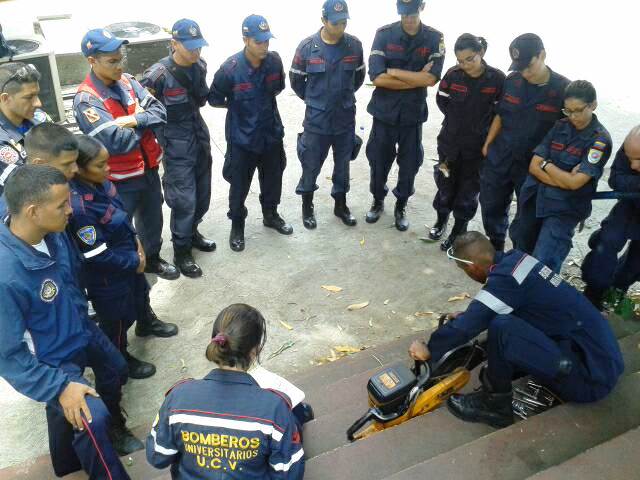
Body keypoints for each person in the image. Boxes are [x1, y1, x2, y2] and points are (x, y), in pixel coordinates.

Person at [0, 165, 143, 479]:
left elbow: (71, 279)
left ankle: (67, 464)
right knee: (91, 420)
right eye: (62, 205)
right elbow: (9, 357)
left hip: (80, 326)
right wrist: (60, 386)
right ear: (33, 211)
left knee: (116, 369)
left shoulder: (52, 232)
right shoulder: (6, 275)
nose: (70, 210)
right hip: (52, 361)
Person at [409, 232, 624, 429]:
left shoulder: (505, 281)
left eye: (464, 270)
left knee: (502, 327)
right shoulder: (517, 260)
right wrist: (469, 316)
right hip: (601, 359)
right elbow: (509, 301)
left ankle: (495, 406)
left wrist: (430, 349)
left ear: (472, 267)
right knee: (503, 321)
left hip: (590, 381)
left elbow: (465, 329)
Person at [147, 303, 306, 479]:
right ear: (255, 351)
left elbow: (157, 456)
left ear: (214, 342)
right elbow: (288, 474)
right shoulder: (275, 409)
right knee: (294, 419)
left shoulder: (178, 398)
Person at [68, 135, 179, 379]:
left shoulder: (104, 183)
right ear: (78, 168)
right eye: (100, 165)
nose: (108, 169)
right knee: (117, 320)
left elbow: (123, 218)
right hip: (108, 276)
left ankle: (146, 322)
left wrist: (138, 245)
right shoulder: (79, 208)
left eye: (107, 162)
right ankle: (120, 358)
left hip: (129, 255)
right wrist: (135, 262)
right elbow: (96, 254)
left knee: (141, 294)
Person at [73, 28, 179, 280]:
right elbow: (116, 142)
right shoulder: (87, 100)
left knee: (153, 218)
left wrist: (130, 120)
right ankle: (130, 268)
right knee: (121, 227)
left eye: (121, 58)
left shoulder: (128, 81)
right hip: (119, 179)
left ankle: (151, 258)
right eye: (112, 61)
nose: (120, 65)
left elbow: (161, 113)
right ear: (92, 61)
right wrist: (143, 121)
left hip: (148, 168)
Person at [209, 15, 292, 252]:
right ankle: (237, 225)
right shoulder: (230, 69)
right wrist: (238, 106)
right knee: (239, 187)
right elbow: (214, 98)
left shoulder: (274, 62)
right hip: (242, 140)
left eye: (267, 41)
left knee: (273, 179)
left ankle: (271, 214)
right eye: (258, 42)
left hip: (271, 135)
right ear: (245, 40)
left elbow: (278, 88)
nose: (264, 46)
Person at [480, 34, 570, 252]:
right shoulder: (512, 81)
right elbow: (501, 114)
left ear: (542, 55)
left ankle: (520, 256)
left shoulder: (563, 89)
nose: (524, 73)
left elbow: (569, 131)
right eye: (519, 67)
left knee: (526, 217)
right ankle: (496, 246)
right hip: (501, 155)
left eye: (528, 66)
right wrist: (488, 145)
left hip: (532, 166)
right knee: (491, 204)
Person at [510, 80, 612, 273]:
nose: (572, 116)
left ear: (593, 105)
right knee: (521, 251)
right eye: (568, 111)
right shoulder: (560, 125)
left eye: (578, 110)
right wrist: (562, 178)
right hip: (535, 199)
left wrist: (546, 165)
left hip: (564, 208)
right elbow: (534, 165)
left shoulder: (599, 141)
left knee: (544, 263)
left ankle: (541, 301)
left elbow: (576, 183)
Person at [141, 19, 216, 278]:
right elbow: (142, 113)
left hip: (199, 138)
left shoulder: (200, 66)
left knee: (203, 195)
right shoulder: (157, 76)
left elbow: (202, 99)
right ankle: (181, 251)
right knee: (184, 201)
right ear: (174, 44)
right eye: (190, 47)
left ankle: (193, 232)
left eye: (199, 47)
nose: (196, 52)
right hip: (174, 147)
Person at [364, 0, 445, 231]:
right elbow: (377, 77)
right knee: (378, 161)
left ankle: (401, 204)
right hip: (384, 113)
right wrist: (415, 78)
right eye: (403, 13)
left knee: (409, 164)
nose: (408, 18)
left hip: (412, 116)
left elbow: (431, 79)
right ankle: (378, 200)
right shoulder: (384, 35)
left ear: (422, 7)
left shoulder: (434, 38)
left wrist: (395, 72)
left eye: (412, 13)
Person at [290, 0, 365, 229]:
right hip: (317, 121)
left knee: (343, 165)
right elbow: (296, 81)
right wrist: (315, 100)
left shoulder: (354, 46)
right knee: (311, 164)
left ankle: (340, 205)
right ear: (323, 21)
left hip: (344, 119)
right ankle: (307, 206)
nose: (341, 27)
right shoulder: (306, 47)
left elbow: (359, 78)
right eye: (336, 23)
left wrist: (341, 98)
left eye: (344, 22)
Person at [428, 34, 505, 250]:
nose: (465, 65)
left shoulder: (497, 80)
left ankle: (458, 231)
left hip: (477, 149)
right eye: (460, 61)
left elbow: (500, 113)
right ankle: (441, 220)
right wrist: (456, 123)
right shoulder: (453, 75)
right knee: (445, 185)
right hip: (449, 145)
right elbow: (442, 100)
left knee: (468, 192)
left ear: (481, 53)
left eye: (470, 59)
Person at [582, 126, 640, 309]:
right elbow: (616, 179)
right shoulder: (633, 145)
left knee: (636, 262)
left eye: (639, 160)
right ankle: (594, 293)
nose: (633, 166)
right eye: (630, 159)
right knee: (607, 242)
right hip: (631, 203)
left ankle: (617, 290)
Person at [0, 62, 48, 194]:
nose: (38, 103)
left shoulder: (39, 117)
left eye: (37, 95)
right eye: (29, 97)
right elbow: (26, 189)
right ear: (5, 99)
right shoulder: (2, 141)